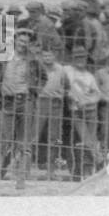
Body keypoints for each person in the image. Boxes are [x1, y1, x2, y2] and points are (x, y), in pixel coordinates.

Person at [0, 28, 40, 189]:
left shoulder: (33, 60)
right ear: (15, 40)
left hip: (25, 102)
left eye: (26, 42)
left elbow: (43, 76)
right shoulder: (4, 56)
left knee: (24, 142)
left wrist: (35, 91)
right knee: (3, 138)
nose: (23, 44)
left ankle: (21, 178)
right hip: (7, 102)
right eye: (21, 41)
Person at [64, 47, 104, 179]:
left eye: (83, 58)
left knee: (90, 140)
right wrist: (72, 97)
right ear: (73, 58)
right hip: (77, 113)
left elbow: (97, 94)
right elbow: (64, 88)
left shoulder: (89, 76)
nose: (80, 60)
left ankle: (93, 167)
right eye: (78, 57)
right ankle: (99, 162)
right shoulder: (67, 71)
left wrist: (87, 101)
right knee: (86, 140)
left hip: (90, 111)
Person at [34, 47, 67, 180]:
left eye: (50, 56)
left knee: (53, 138)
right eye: (45, 56)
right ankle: (21, 169)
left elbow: (66, 86)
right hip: (41, 102)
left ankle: (51, 171)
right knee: (34, 135)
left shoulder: (61, 69)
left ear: (55, 56)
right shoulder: (38, 68)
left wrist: (60, 96)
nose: (47, 58)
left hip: (55, 104)